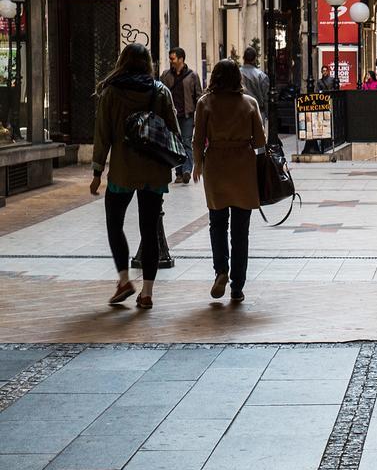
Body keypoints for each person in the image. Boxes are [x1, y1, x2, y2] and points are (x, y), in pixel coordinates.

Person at [90, 42, 180, 310]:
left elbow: (102, 134)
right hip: (154, 172)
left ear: (123, 62)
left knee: (114, 224)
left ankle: (124, 280)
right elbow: (173, 130)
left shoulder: (111, 93)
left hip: (122, 171)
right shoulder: (161, 91)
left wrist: (97, 171)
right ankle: (147, 293)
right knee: (149, 230)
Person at [191, 59, 266, 304]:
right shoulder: (250, 103)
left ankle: (220, 270)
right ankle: (238, 286)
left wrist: (198, 164)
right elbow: (260, 142)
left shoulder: (205, 103)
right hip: (243, 168)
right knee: (240, 231)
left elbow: (197, 139)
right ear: (238, 78)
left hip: (216, 166)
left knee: (217, 223)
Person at [160, 46, 203, 184]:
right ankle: (178, 172)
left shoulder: (193, 75)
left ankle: (186, 171)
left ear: (181, 59)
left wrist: (199, 116)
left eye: (173, 59)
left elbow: (199, 97)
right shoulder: (165, 76)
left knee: (186, 142)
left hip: (187, 116)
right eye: (170, 59)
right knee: (175, 144)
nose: (171, 61)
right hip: (171, 117)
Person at [239, 47, 269, 122]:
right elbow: (266, 98)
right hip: (258, 112)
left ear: (243, 58)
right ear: (255, 59)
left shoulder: (236, 73)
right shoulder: (261, 76)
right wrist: (267, 114)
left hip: (240, 113)